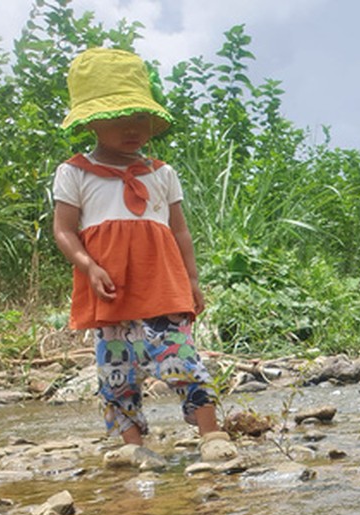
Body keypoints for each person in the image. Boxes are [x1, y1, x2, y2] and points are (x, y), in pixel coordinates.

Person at [52, 48, 236, 466]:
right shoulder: (75, 172)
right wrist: (88, 265)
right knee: (115, 370)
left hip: (162, 284)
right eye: (119, 120)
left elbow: (180, 230)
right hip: (110, 287)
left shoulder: (161, 173)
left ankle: (211, 434)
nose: (132, 129)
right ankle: (131, 444)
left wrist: (192, 281)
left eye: (140, 119)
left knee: (179, 355)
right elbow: (63, 230)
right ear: (90, 122)